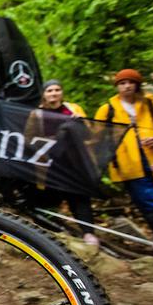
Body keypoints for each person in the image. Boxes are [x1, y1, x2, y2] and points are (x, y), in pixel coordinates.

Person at [95, 69, 153, 258]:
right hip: (130, 168)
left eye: (131, 82)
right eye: (122, 83)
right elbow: (96, 137)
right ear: (117, 86)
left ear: (137, 84)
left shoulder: (151, 104)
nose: (127, 86)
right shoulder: (108, 109)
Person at [27, 80, 98, 245]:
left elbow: (90, 134)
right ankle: (53, 234)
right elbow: (29, 139)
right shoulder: (37, 114)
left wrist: (79, 124)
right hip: (50, 164)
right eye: (50, 90)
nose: (54, 93)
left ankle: (88, 233)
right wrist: (51, 141)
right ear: (44, 94)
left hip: (74, 162)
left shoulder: (73, 109)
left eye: (57, 89)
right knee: (49, 198)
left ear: (62, 92)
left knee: (79, 197)